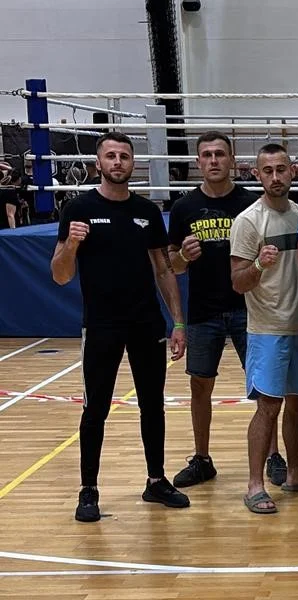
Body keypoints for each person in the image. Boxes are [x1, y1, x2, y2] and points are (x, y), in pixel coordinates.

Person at [50, 131, 190, 522]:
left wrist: (178, 321)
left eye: (124, 156)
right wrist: (72, 244)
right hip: (101, 325)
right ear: (98, 163)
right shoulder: (78, 208)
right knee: (95, 408)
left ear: (133, 163)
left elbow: (164, 269)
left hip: (146, 323)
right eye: (110, 156)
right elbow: (60, 275)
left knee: (153, 405)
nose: (117, 162)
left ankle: (156, 480)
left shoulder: (146, 211)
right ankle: (88, 489)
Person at [168, 131, 279, 488]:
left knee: (264, 387)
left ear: (232, 160)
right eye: (207, 155)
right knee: (200, 385)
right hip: (204, 311)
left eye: (220, 154)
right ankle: (202, 458)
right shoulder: (184, 207)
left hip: (250, 308)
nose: (213, 160)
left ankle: (274, 456)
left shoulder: (251, 203)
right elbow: (173, 266)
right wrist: (183, 256)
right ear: (197, 162)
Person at [230, 143, 298, 514]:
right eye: (268, 171)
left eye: (281, 169)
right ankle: (255, 484)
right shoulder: (248, 221)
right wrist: (258, 266)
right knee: (268, 406)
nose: (275, 177)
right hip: (267, 329)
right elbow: (237, 282)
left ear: (293, 171)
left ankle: (296, 473)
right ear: (257, 174)